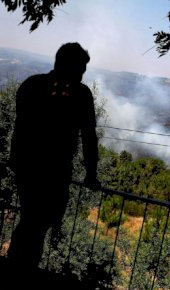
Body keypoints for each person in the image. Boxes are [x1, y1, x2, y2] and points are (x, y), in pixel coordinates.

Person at [7, 42, 102, 270]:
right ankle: (21, 272)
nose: (82, 74)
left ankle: (14, 268)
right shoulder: (81, 94)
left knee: (30, 220)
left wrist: (15, 159)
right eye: (80, 68)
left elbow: (20, 128)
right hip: (56, 171)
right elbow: (89, 137)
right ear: (70, 65)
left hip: (27, 166)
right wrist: (91, 174)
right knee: (38, 224)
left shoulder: (31, 85)